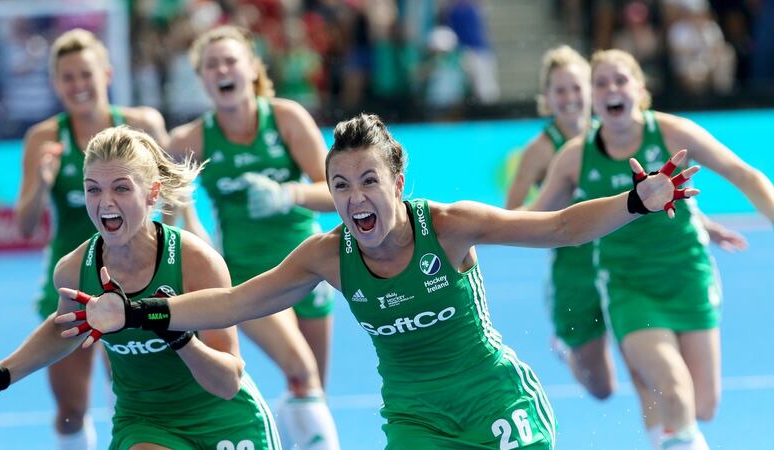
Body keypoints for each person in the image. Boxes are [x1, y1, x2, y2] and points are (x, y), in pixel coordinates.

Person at [54, 113, 698, 449]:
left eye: (368, 181)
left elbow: (558, 226)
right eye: (339, 185)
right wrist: (139, 314)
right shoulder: (327, 256)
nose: (354, 197)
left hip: (494, 403)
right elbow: (230, 304)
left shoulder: (448, 227)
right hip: (416, 420)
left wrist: (635, 202)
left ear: (397, 181)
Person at [0, 126, 282, 450]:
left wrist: (173, 332)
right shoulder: (74, 270)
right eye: (93, 190)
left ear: (152, 193)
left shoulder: (196, 263)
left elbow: (227, 383)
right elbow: (64, 328)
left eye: (121, 188)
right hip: (145, 423)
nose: (105, 202)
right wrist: (1, 375)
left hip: (224, 418)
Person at [527, 49, 774, 450]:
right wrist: (470, 232)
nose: (611, 89)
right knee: (674, 392)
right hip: (628, 284)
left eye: (620, 80)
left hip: (687, 274)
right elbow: (534, 219)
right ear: (593, 97)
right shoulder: (574, 157)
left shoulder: (674, 133)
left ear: (639, 90)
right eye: (601, 83)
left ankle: (660, 409)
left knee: (703, 406)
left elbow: (742, 174)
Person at [166, 25, 339, 449]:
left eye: (230, 61)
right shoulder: (189, 139)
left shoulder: (286, 119)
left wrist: (289, 193)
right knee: (300, 368)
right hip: (250, 274)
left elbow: (336, 193)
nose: (222, 70)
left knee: (311, 386)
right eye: (211, 65)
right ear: (202, 79)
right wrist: (191, 226)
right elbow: (167, 217)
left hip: (310, 266)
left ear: (252, 69)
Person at [13, 28, 170, 450]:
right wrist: (42, 185)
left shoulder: (142, 125)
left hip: (143, 279)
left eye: (86, 74)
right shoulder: (44, 139)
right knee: (70, 411)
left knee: (147, 401)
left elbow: (170, 201)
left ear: (107, 73)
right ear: (55, 84)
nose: (79, 85)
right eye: (68, 77)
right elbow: (25, 226)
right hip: (71, 284)